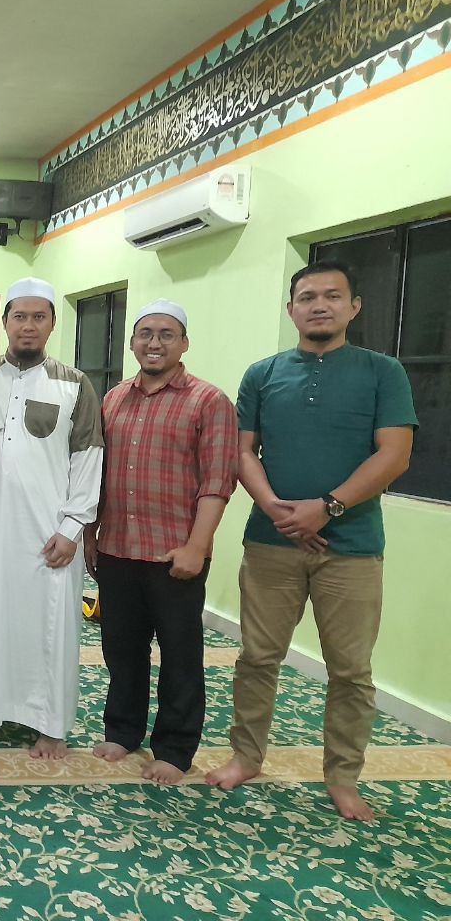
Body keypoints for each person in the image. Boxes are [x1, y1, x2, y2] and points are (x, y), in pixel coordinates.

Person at [207, 262, 416, 822]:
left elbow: (394, 453)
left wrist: (327, 508)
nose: (319, 305)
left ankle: (343, 778)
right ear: (291, 309)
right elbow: (243, 451)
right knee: (257, 658)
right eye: (307, 297)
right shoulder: (263, 374)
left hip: (352, 547)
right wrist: (276, 508)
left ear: (354, 307)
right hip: (271, 541)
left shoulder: (383, 372)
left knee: (350, 670)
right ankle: (246, 756)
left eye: (332, 296)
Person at [0, 277, 103, 759]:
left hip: (48, 531)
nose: (29, 325)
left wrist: (73, 527)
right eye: (20, 316)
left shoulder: (74, 384)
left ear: (53, 323)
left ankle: (50, 726)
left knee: (49, 626)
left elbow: (88, 457)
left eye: (39, 317)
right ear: (5, 322)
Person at [86, 299, 238, 784]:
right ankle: (123, 730)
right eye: (145, 334)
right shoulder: (113, 399)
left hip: (175, 553)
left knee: (180, 655)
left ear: (184, 343)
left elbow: (218, 481)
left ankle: (174, 748)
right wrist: (91, 534)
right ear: (132, 343)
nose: (154, 343)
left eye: (166, 334)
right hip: (117, 548)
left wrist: (198, 545)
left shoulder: (209, 401)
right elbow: (97, 476)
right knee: (121, 650)